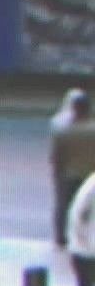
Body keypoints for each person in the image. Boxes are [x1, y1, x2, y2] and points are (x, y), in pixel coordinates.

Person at [50, 90, 95, 250]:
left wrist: (56, 174)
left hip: (68, 175)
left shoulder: (63, 130)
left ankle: (60, 237)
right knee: (88, 208)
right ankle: (84, 236)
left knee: (63, 206)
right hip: (89, 176)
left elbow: (56, 156)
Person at [70, 172, 95, 286]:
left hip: (85, 246)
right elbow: (80, 213)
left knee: (85, 283)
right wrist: (81, 237)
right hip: (86, 248)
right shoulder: (92, 187)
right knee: (85, 283)